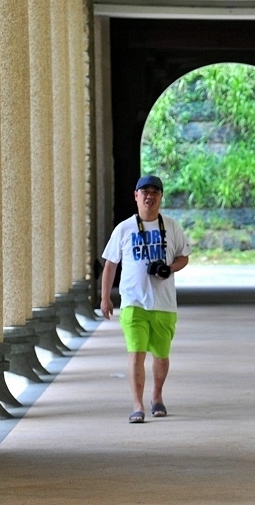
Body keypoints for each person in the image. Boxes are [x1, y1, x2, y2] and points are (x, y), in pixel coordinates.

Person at [100, 175, 191, 423]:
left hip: (164, 303)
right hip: (133, 302)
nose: (150, 196)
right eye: (145, 192)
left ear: (161, 197)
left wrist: (169, 269)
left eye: (155, 192)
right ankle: (137, 404)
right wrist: (105, 298)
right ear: (136, 196)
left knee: (161, 356)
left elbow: (185, 256)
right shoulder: (124, 228)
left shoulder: (171, 226)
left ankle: (157, 396)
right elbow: (110, 264)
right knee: (136, 353)